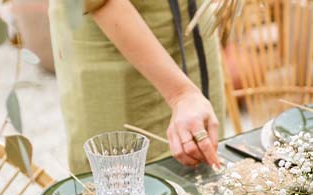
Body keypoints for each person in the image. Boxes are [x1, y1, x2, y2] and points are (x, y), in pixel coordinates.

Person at [48, 0, 225, 172]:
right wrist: (180, 93)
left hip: (193, 28)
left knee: (210, 177)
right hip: (113, 39)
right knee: (125, 182)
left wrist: (186, 94)